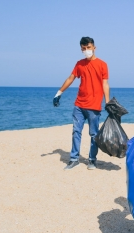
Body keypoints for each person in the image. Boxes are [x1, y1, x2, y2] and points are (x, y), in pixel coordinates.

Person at [53, 36, 110, 170]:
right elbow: (71, 78)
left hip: (94, 105)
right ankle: (74, 159)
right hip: (79, 104)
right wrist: (59, 93)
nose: (86, 50)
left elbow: (105, 84)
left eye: (88, 47)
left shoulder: (102, 64)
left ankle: (92, 160)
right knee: (76, 131)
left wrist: (107, 102)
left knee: (94, 134)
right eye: (83, 48)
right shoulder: (79, 64)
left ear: (94, 47)